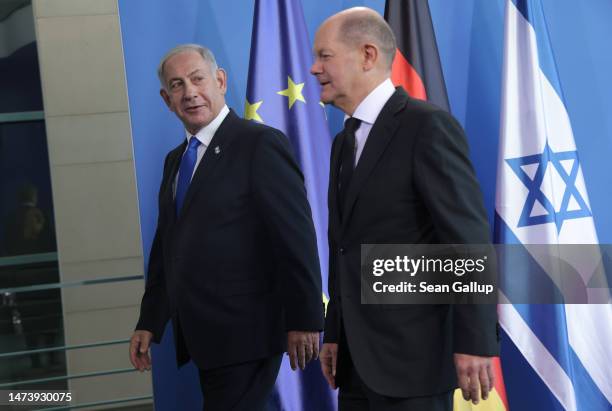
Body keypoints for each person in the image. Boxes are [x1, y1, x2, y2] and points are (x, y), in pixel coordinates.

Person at [311, 8, 499, 411]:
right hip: (356, 364)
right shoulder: (344, 142)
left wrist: (473, 342)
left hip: (414, 361)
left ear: (367, 55)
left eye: (324, 56)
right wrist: (334, 332)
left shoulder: (427, 127)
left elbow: (467, 243)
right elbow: (344, 247)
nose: (314, 69)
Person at [129, 44, 324, 411]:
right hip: (205, 337)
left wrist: (305, 317)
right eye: (177, 85)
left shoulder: (259, 144)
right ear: (166, 98)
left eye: (198, 79)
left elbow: (294, 236)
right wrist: (150, 321)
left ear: (219, 80)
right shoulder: (176, 160)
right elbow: (169, 246)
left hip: (248, 333)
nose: (189, 92)